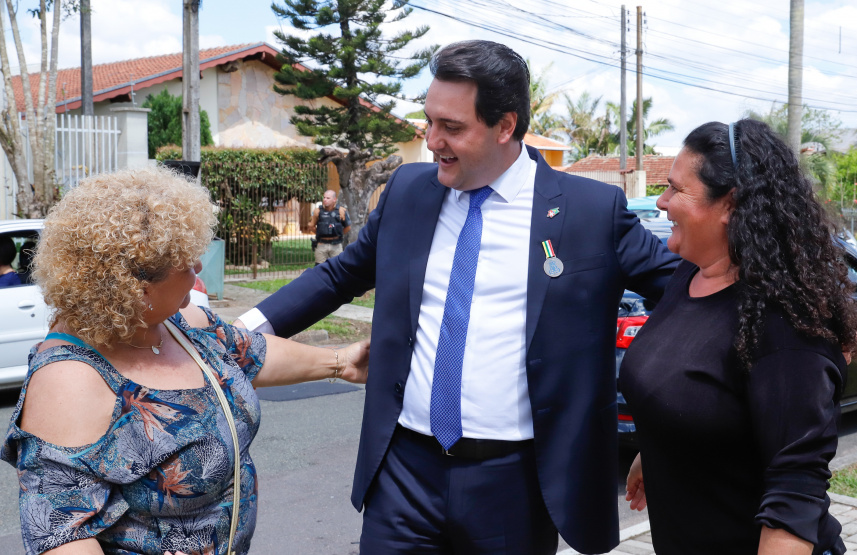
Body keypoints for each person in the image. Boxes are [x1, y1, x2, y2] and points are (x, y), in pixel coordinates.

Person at [237, 40, 679, 554]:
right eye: (429, 121)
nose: (431, 141)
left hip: (516, 484)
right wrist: (234, 332)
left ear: (505, 126)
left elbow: (684, 296)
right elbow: (339, 276)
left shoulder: (590, 210)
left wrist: (664, 427)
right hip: (403, 474)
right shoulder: (408, 190)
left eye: (452, 128)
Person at [1, 166, 370, 555]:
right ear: (136, 288)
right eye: (187, 264)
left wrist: (341, 361)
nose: (198, 271)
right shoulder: (69, 380)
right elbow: (60, 535)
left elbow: (249, 353)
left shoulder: (179, 322)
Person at [620, 119, 857, 555]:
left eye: (676, 190)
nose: (661, 202)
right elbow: (699, 398)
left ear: (731, 204)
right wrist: (661, 448)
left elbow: (794, 494)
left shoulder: (784, 327)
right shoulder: (689, 277)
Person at [306, 189, 351, 263]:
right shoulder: (318, 211)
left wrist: (338, 233)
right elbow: (311, 226)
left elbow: (348, 227)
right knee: (319, 268)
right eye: (324, 197)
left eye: (328, 198)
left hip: (336, 245)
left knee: (337, 267)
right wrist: (319, 232)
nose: (325, 200)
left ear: (334, 199)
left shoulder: (341, 211)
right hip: (321, 244)